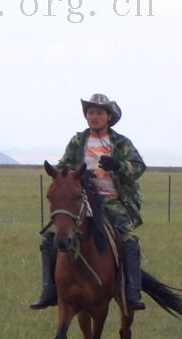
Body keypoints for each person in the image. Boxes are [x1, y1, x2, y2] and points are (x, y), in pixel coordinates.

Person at [30, 93, 147, 310]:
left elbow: (139, 167)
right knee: (50, 237)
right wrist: (68, 173)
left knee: (129, 237)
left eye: (99, 113)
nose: (94, 116)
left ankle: (132, 292)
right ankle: (49, 289)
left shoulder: (121, 142)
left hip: (112, 200)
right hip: (82, 200)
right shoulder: (77, 141)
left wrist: (118, 166)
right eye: (91, 112)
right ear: (86, 116)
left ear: (109, 116)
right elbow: (64, 167)